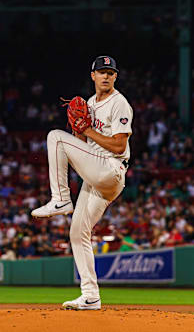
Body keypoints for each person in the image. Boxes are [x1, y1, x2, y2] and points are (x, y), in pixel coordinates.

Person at [31, 56, 133, 311]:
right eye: (102, 72)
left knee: (55, 136)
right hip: (96, 174)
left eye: (110, 72)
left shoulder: (119, 103)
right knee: (78, 233)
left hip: (111, 169)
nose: (106, 76)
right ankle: (90, 296)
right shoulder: (89, 103)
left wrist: (86, 131)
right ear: (93, 76)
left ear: (115, 77)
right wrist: (79, 131)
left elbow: (120, 145)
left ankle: (61, 198)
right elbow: (85, 145)